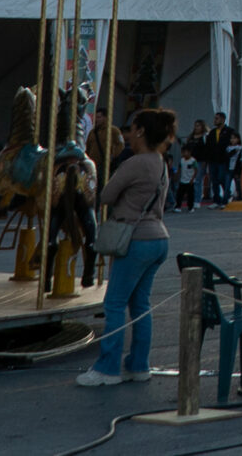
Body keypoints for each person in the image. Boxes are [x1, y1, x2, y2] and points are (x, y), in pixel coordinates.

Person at [77, 108, 176, 387]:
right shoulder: (160, 162)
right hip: (158, 237)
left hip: (135, 238)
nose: (128, 134)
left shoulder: (134, 162)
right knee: (141, 304)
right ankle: (138, 364)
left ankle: (107, 368)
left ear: (141, 131)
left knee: (115, 303)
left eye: (132, 128)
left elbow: (106, 194)